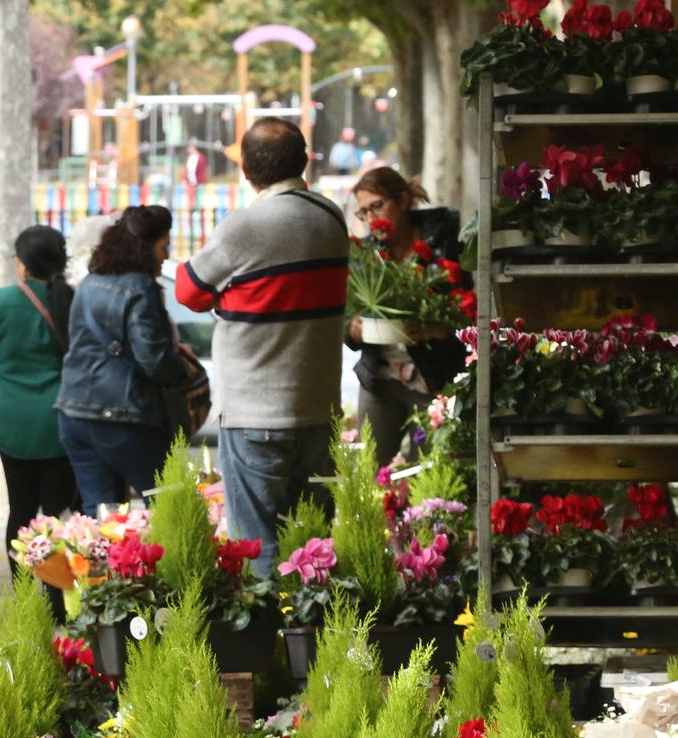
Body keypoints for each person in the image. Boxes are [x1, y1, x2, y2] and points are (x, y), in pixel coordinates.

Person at [176, 117, 348, 571]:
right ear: (305, 160)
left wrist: (228, 295)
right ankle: (311, 638)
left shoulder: (246, 226)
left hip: (255, 414)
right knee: (314, 546)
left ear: (247, 171)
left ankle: (270, 639)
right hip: (318, 409)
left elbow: (188, 291)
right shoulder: (331, 216)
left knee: (259, 546)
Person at [0, 226, 81, 579]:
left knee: (21, 508)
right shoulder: (73, 300)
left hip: (13, 422)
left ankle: (24, 595)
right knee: (56, 511)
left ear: (21, 265)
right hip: (62, 419)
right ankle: (57, 597)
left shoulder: (1, 302)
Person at [55, 205, 190, 514]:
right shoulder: (140, 288)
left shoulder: (90, 282)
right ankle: (167, 564)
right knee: (168, 506)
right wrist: (182, 369)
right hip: (123, 415)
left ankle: (105, 565)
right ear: (144, 248)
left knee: (103, 515)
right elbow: (153, 358)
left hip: (73, 411)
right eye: (163, 246)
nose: (166, 255)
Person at [348, 166, 465, 463]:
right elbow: (345, 309)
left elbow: (467, 309)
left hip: (432, 378)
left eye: (377, 206)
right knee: (368, 472)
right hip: (380, 378)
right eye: (364, 212)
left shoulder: (443, 244)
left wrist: (437, 330)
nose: (372, 218)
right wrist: (352, 328)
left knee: (426, 472)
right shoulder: (367, 254)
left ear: (402, 201)